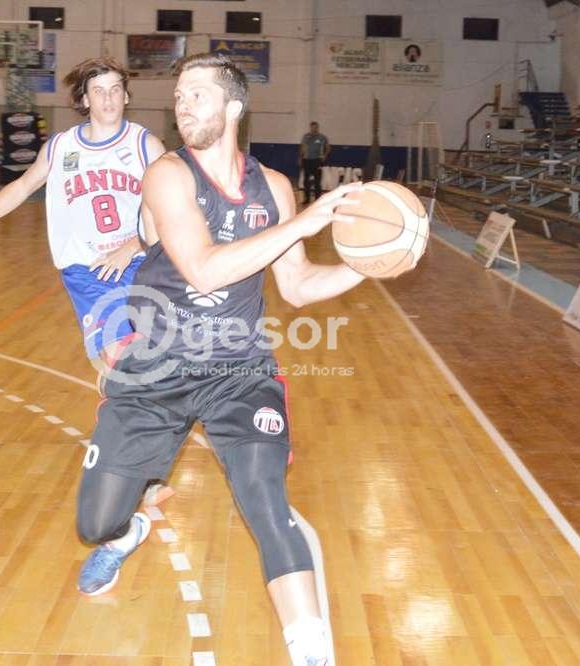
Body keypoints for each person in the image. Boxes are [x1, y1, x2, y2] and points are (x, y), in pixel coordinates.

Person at [75, 53, 362, 666]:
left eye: (197, 94)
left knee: (265, 499)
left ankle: (309, 649)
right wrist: (306, 222)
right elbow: (203, 268)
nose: (183, 105)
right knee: (96, 523)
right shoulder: (167, 175)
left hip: (239, 369)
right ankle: (128, 531)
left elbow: (298, 286)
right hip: (157, 366)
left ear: (233, 106)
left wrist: (368, 264)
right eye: (179, 95)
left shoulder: (274, 188)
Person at [0, 56, 174, 508]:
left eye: (116, 89)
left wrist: (134, 242)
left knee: (145, 369)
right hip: (87, 273)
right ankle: (137, 470)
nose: (109, 98)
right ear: (84, 99)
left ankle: (134, 459)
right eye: (99, 91)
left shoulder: (144, 144)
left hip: (140, 264)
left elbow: (173, 204)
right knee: (125, 365)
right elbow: (22, 187)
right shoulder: (60, 148)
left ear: (127, 96)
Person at [299, 121, 330, 205]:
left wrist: (324, 156)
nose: (314, 129)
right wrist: (300, 158)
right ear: (310, 128)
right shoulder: (306, 136)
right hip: (306, 160)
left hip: (317, 161)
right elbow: (302, 147)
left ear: (317, 128)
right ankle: (307, 199)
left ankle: (317, 199)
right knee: (306, 181)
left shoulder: (322, 137)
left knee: (317, 181)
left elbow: (328, 147)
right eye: (312, 127)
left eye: (315, 127)